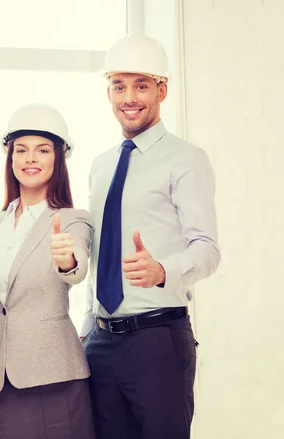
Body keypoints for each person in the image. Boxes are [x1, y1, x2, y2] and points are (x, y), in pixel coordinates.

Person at [82, 33, 221, 439]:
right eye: (119, 86)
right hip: (101, 342)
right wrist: (88, 325)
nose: (129, 98)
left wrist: (162, 270)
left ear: (162, 89)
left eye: (141, 85)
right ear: (108, 91)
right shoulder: (101, 165)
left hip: (157, 341)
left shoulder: (186, 159)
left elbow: (208, 250)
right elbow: (100, 255)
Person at [0, 103, 96, 439]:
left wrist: (67, 259)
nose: (30, 158)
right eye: (21, 150)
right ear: (10, 159)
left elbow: (77, 267)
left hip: (55, 377)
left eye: (42, 150)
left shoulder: (72, 219)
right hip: (0, 385)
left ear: (57, 160)